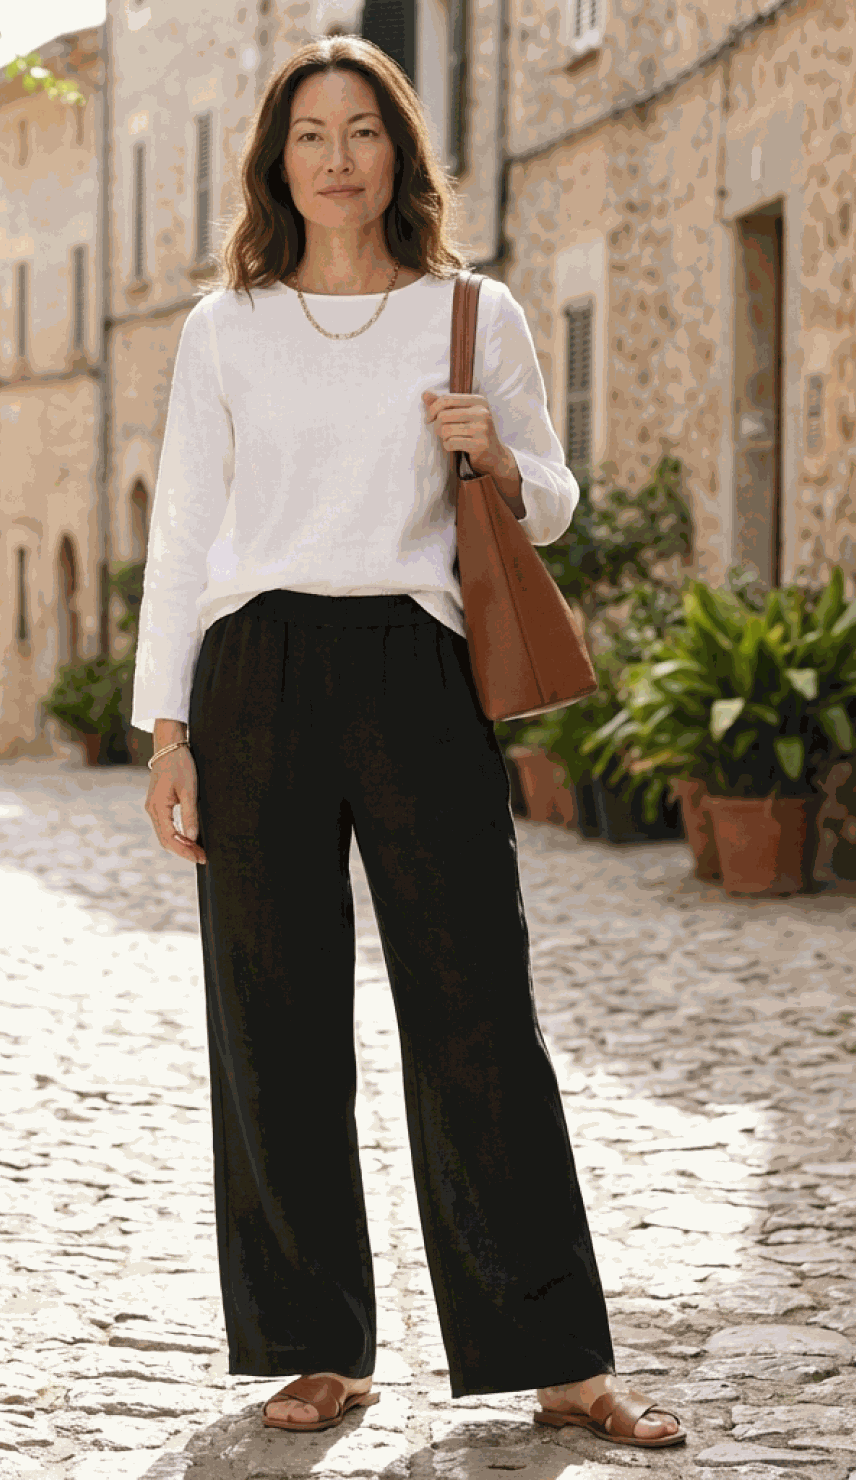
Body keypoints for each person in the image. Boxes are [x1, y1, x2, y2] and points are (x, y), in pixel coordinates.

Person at [132, 35, 684, 1451]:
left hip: (413, 664)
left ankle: (559, 1354)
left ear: (398, 153)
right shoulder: (224, 326)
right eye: (308, 133)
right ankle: (315, 1347)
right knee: (274, 1015)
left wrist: (493, 449)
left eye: (361, 130)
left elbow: (548, 500)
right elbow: (186, 529)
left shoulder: (469, 311)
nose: (334, 156)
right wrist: (169, 725)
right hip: (254, 669)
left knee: (475, 1006)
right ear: (276, 161)